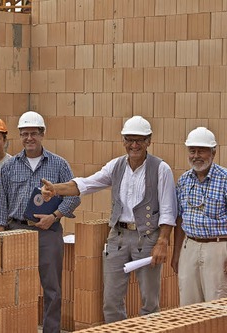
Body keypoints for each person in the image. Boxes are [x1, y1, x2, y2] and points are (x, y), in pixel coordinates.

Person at [41, 115, 177, 324]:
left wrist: (163, 242)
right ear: (123, 141)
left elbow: (168, 209)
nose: (134, 145)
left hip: (148, 238)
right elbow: (86, 184)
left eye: (139, 140)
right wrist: (56, 189)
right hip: (118, 238)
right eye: (129, 139)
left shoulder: (161, 169)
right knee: (111, 302)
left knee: (149, 303)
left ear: (149, 141)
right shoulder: (116, 166)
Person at [0, 111, 81, 333]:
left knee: (52, 288)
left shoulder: (59, 164)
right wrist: (0, 235)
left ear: (42, 134)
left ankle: (51, 330)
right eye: (24, 134)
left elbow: (74, 195)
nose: (29, 138)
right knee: (14, 287)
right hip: (16, 231)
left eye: (33, 133)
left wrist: (55, 215)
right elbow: (1, 202)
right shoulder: (9, 166)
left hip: (48, 232)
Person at [171, 127, 227, 305]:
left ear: (214, 152)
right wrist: (177, 252)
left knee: (217, 304)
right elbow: (180, 219)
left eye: (201, 150)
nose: (196, 155)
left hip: (218, 249)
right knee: (188, 304)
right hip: (190, 246)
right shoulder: (184, 180)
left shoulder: (225, 179)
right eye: (192, 151)